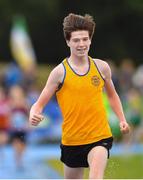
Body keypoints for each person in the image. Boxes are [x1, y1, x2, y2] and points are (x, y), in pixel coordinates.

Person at [29, 13, 130, 179]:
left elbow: (112, 96)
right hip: (72, 140)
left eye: (85, 39)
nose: (81, 44)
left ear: (90, 40)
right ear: (68, 42)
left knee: (95, 177)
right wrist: (34, 114)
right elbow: (38, 104)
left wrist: (122, 119)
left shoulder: (102, 68)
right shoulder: (59, 73)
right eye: (76, 40)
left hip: (99, 136)